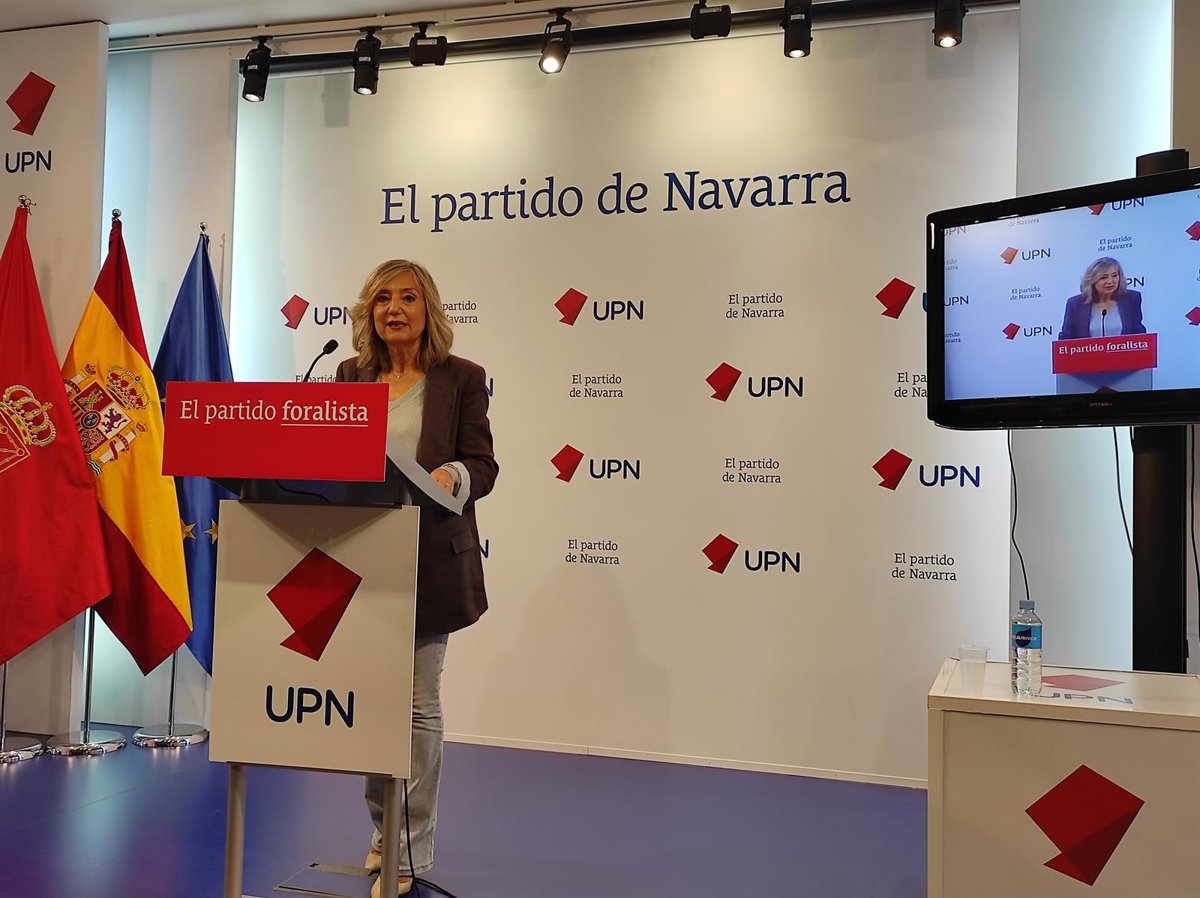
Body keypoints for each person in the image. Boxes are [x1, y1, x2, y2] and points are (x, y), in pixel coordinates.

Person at [335, 259, 497, 897]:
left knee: (417, 707)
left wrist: (456, 474)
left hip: (430, 559)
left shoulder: (462, 379)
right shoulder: (349, 376)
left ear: (427, 309)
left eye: (407, 298)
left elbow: (483, 464)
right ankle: (384, 830)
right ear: (369, 312)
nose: (393, 309)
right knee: (373, 703)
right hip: (360, 561)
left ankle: (408, 849)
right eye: (382, 299)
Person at [1058, 256, 1146, 340]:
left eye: (1115, 275)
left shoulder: (1131, 299)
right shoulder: (1075, 304)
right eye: (1104, 277)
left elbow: (1139, 335)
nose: (1110, 281)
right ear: (1092, 280)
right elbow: (1066, 339)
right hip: (1088, 351)